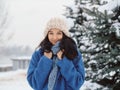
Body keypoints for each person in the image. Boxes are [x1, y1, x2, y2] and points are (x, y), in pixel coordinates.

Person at [27, 17, 85, 90]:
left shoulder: (73, 53)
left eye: (59, 33)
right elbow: (34, 83)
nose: (54, 37)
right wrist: (45, 61)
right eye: (51, 33)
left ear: (64, 35)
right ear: (47, 35)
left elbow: (77, 83)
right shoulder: (39, 54)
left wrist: (64, 61)